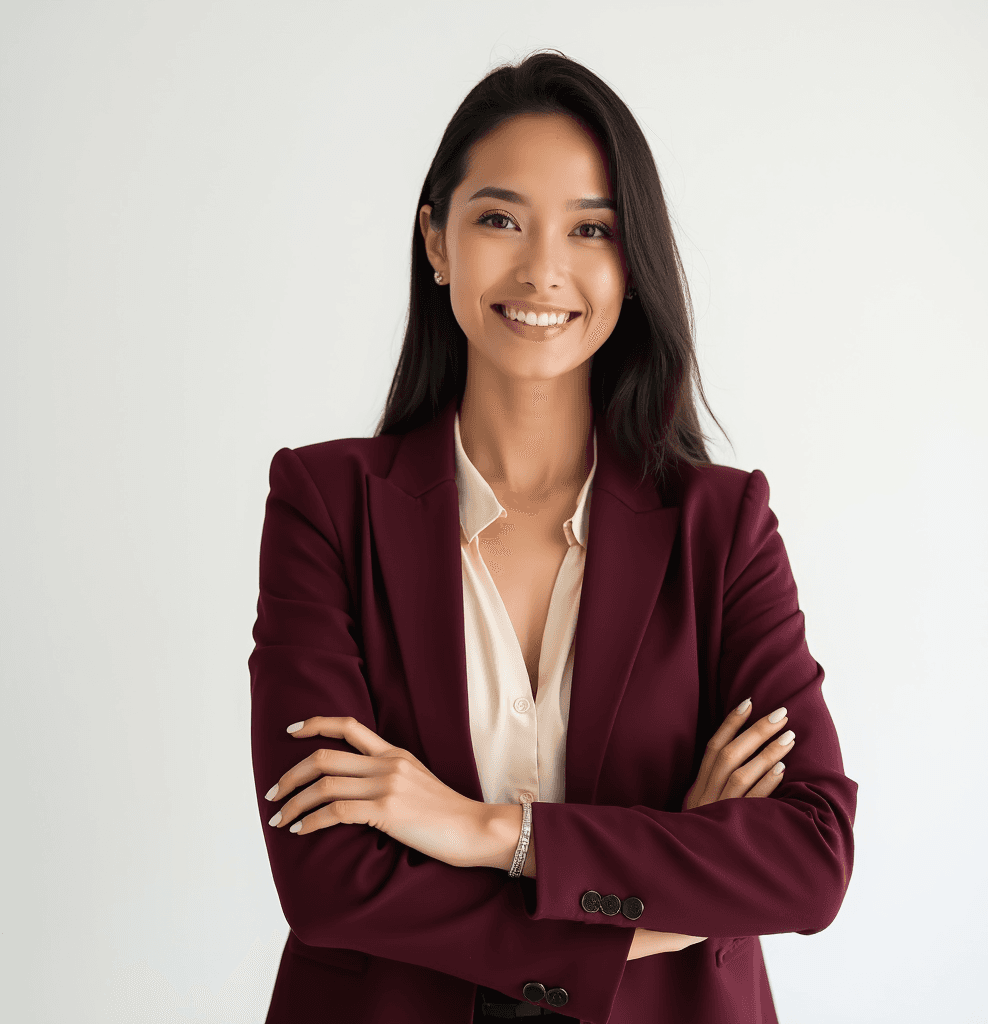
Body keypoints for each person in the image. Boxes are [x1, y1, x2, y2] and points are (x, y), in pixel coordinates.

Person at [249, 50, 857, 1024]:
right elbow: (327, 884)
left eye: (590, 229)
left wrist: (486, 831)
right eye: (498, 219)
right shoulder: (327, 502)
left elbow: (809, 858)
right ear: (436, 243)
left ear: (630, 263)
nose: (542, 268)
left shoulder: (721, 524)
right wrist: (674, 881)